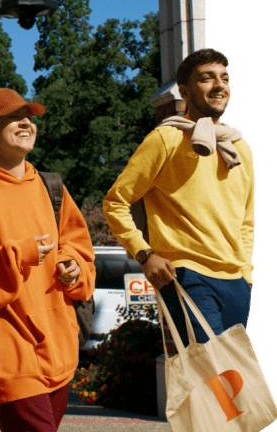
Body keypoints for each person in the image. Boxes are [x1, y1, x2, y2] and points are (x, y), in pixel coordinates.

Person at [0, 88, 96, 431]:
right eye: (12, 117)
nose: (26, 122)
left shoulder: (51, 187)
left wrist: (73, 267)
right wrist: (17, 255)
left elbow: (79, 247)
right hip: (7, 349)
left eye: (28, 117)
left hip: (58, 344)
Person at [103, 47, 254, 346]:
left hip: (236, 281)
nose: (219, 85)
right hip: (186, 274)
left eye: (224, 78)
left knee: (232, 383)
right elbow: (116, 201)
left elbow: (246, 218)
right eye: (207, 79)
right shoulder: (166, 139)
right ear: (185, 91)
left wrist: (245, 272)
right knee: (210, 373)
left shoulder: (239, 147)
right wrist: (145, 256)